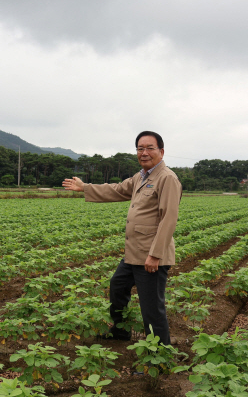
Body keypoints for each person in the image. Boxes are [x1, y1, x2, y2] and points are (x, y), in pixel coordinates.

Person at [62, 131, 181, 344]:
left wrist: (155, 255)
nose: (144, 153)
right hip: (133, 252)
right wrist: (85, 187)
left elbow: (168, 219)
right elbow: (117, 190)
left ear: (161, 151)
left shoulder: (167, 178)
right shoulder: (141, 176)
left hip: (151, 255)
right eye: (140, 148)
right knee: (118, 287)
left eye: (149, 148)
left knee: (152, 308)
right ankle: (121, 331)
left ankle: (159, 355)